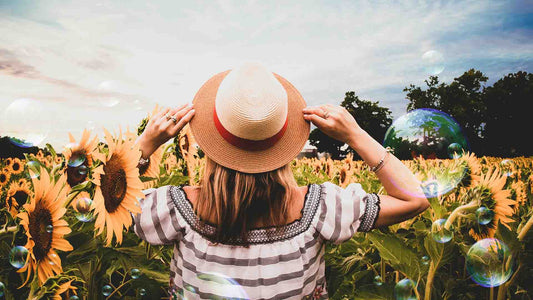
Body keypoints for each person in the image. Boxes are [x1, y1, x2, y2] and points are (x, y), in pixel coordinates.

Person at [133, 62, 429, 299]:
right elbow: (413, 199)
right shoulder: (321, 209)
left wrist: (145, 144)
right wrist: (355, 135)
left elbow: (103, 201)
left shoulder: (173, 209)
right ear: (283, 144)